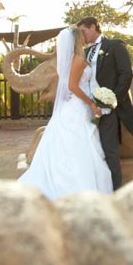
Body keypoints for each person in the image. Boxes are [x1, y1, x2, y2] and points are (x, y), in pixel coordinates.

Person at [16, 26, 113, 200]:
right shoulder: (77, 60)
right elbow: (72, 87)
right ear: (77, 39)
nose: (84, 37)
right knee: (80, 148)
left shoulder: (70, 60)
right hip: (78, 108)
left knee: (72, 147)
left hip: (73, 106)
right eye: (82, 35)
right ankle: (78, 187)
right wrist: (92, 103)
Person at [77, 16, 133, 189]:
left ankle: (115, 190)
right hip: (89, 108)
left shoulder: (114, 46)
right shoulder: (87, 52)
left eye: (83, 31)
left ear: (93, 27)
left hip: (107, 109)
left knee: (109, 151)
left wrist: (112, 100)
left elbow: (126, 73)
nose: (82, 36)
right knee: (93, 152)